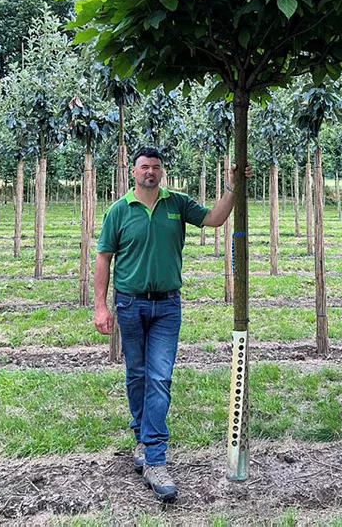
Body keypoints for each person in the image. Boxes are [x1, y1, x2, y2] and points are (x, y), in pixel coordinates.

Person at [94, 146, 252, 503]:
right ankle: (141, 436)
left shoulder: (176, 204)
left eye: (156, 167)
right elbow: (103, 257)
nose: (150, 172)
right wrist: (100, 306)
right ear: (132, 172)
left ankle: (154, 458)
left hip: (167, 306)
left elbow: (214, 219)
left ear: (162, 172)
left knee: (160, 377)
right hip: (130, 304)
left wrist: (231, 186)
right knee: (136, 374)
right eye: (144, 167)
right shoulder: (119, 211)